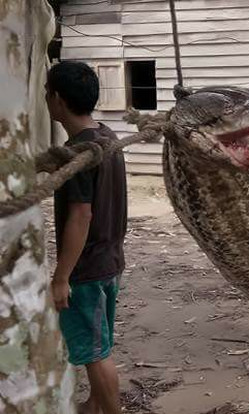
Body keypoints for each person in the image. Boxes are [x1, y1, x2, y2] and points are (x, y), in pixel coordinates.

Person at [46, 61, 125, 414]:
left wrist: (61, 277)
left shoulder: (81, 151)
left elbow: (81, 215)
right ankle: (93, 409)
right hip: (110, 261)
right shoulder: (107, 137)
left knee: (96, 354)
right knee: (100, 345)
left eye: (47, 93)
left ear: (57, 99)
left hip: (87, 270)